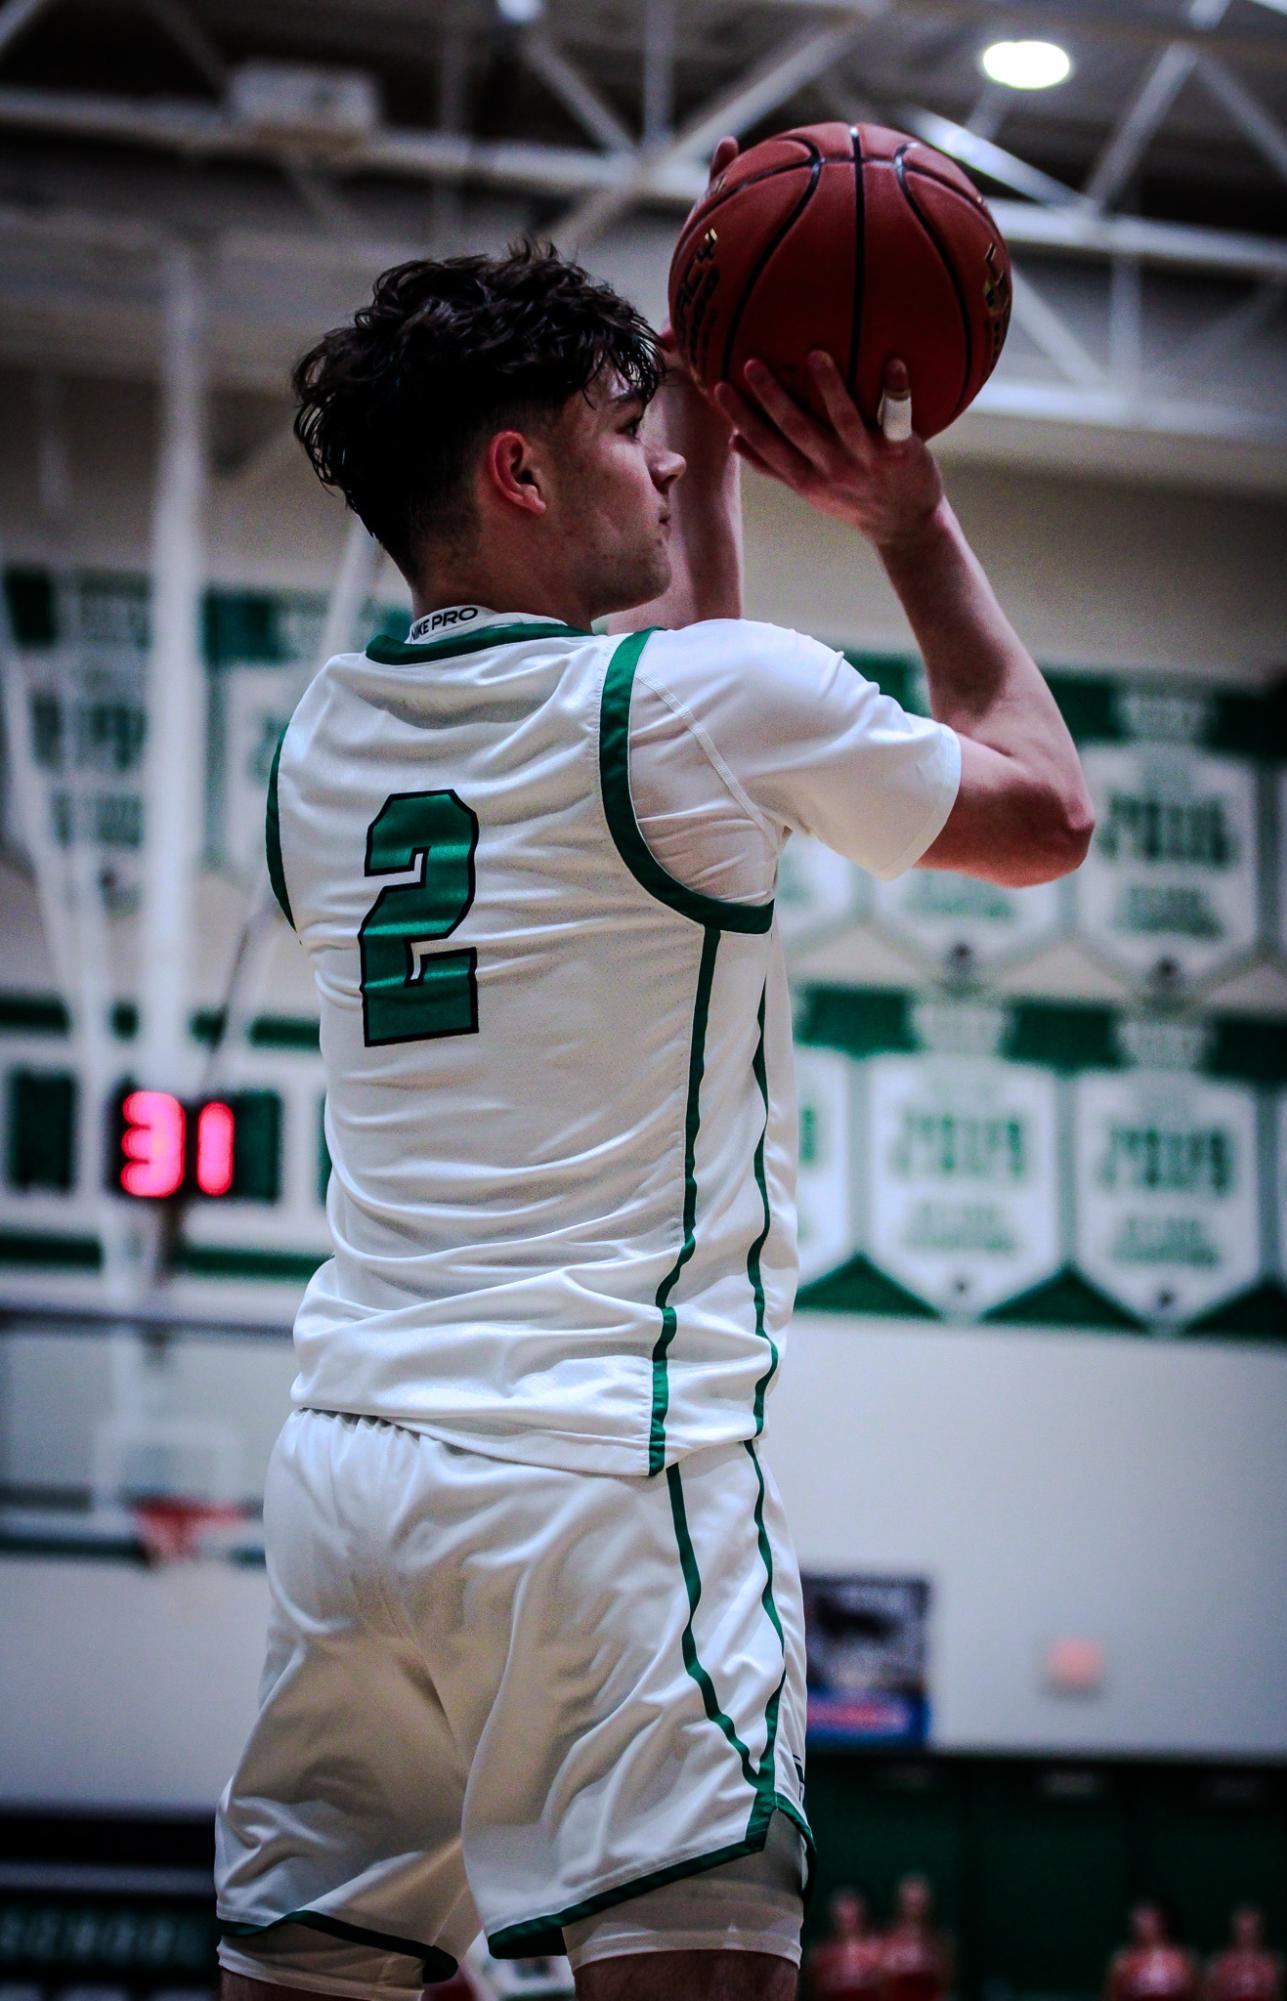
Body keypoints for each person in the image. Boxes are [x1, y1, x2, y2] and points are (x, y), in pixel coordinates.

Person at [213, 127, 1093, 2001]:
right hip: (603, 1481)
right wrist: (909, 523)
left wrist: (688, 380)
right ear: (519, 469)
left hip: (345, 1484)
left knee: (312, 1977)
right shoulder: (698, 709)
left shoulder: (315, 748)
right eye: (629, 435)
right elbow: (1043, 816)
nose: (668, 457)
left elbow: (679, 694)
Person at [878, 1875, 951, 2001]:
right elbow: (882, 1987)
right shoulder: (886, 1940)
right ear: (899, 1902)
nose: (915, 1906)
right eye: (910, 1901)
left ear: (929, 1902)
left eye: (919, 1901)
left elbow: (946, 1986)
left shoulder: (942, 1940)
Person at [1105, 1904, 1199, 2001]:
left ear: (1162, 1921)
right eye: (1138, 1922)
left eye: (1148, 1919)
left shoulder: (1182, 1959)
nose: (1143, 1925)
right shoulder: (1123, 1961)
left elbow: (1197, 1994)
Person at [807, 1889, 886, 2000]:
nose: (847, 1919)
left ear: (862, 1915)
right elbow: (815, 1992)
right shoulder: (821, 1954)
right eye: (842, 1916)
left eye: (852, 1915)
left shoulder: (877, 1950)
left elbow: (887, 1990)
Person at [1205, 1908, 1283, 2001]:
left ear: (1261, 1931)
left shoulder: (1272, 1964)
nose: (1247, 1936)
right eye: (1242, 1931)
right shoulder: (1219, 1963)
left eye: (1252, 1930)